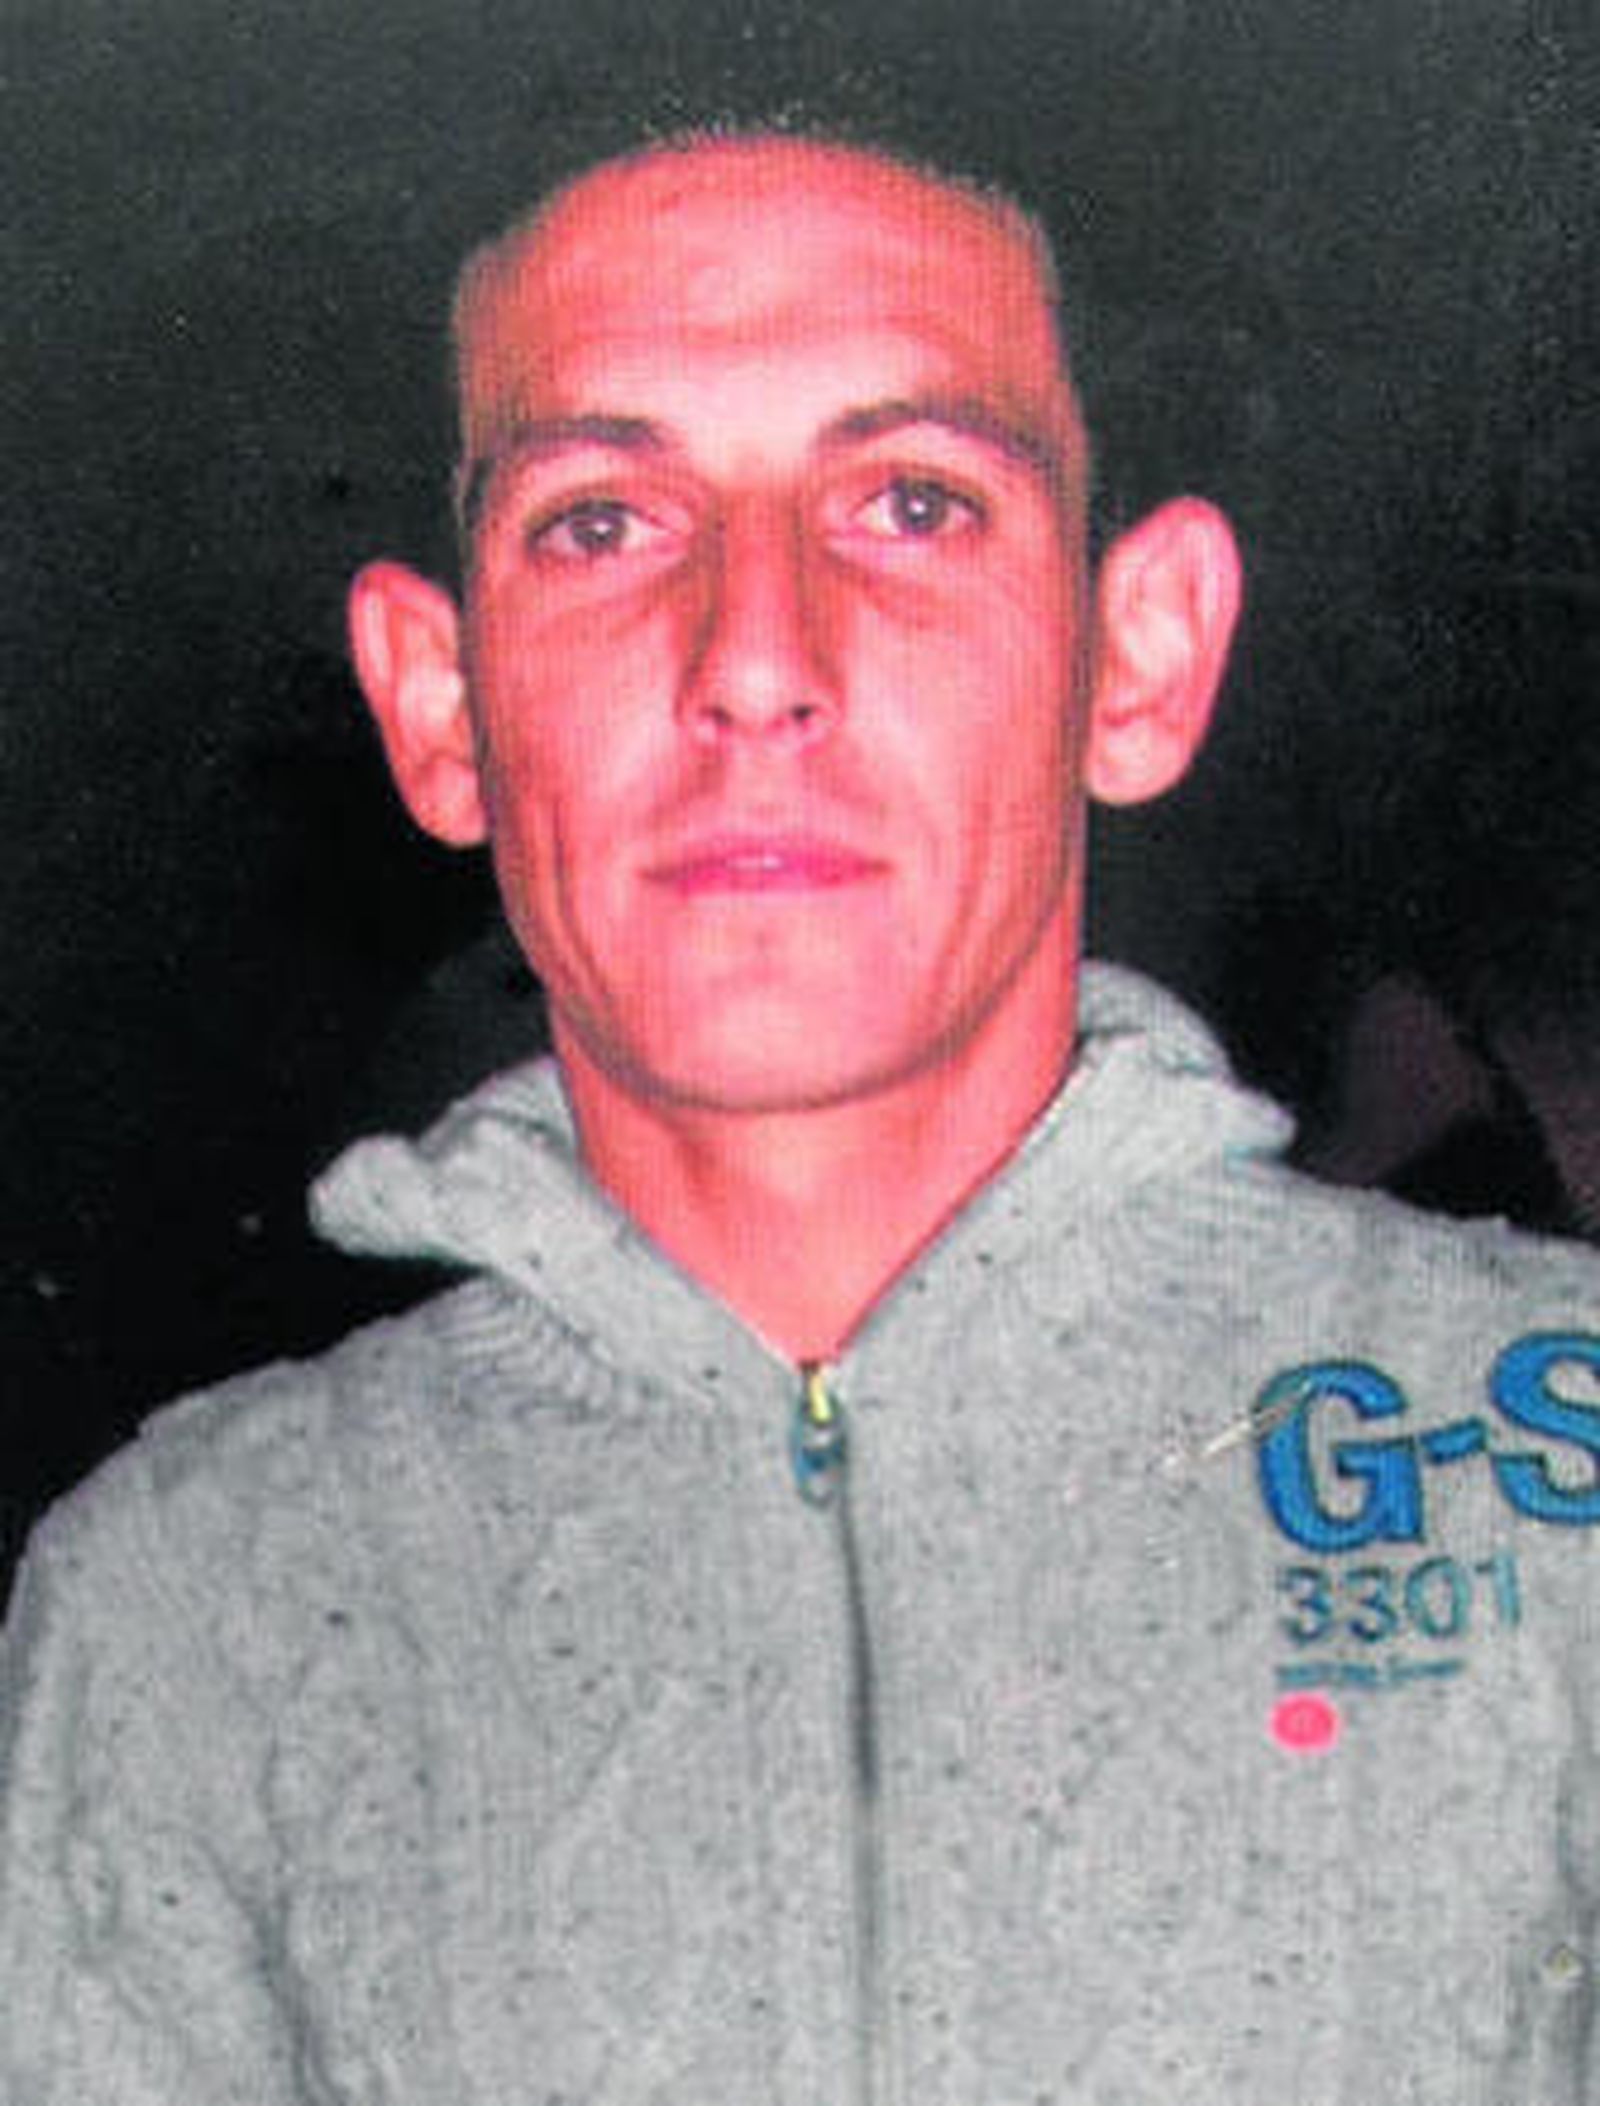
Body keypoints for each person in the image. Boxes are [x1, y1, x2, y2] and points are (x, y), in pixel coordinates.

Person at [3, 128, 1598, 2106]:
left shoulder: (1549, 1440)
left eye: (913, 504)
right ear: (437, 702)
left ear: (1139, 653)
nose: (753, 661)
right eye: (601, 523)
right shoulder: (184, 1597)